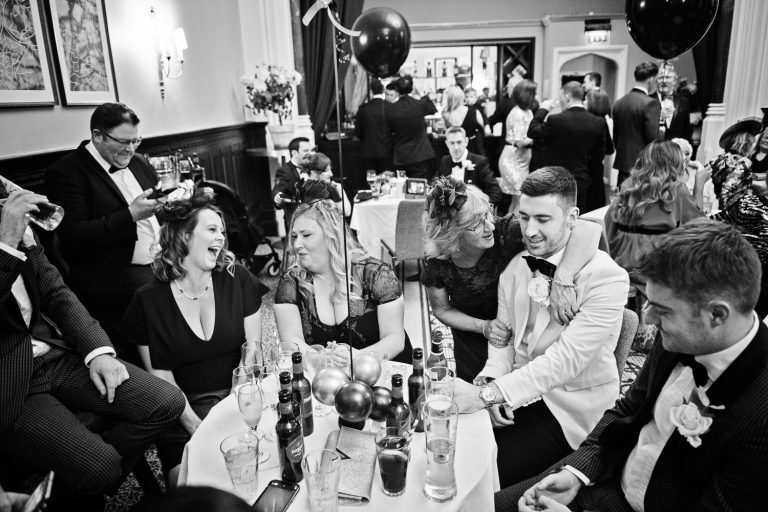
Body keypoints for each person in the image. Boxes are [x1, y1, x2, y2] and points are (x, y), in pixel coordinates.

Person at [499, 219, 768, 512]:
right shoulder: (681, 337)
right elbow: (627, 409)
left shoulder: (760, 414)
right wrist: (576, 472)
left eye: (662, 309)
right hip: (605, 481)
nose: (647, 318)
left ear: (716, 314)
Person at [0, 186, 185, 511]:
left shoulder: (13, 217)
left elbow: (55, 291)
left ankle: (66, 492)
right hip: (9, 383)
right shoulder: (8, 231)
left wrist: (98, 352)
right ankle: (84, 482)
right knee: (100, 468)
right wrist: (5, 247)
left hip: (51, 356)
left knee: (166, 401)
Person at [451, 168, 629, 487]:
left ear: (572, 217)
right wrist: (493, 379)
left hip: (570, 409)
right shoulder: (516, 267)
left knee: (484, 472)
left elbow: (565, 362)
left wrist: (488, 395)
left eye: (543, 219)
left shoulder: (607, 278)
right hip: (519, 393)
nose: (530, 230)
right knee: (456, 446)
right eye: (524, 217)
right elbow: (503, 340)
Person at [121, 191, 267, 481]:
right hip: (181, 411)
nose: (221, 238)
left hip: (237, 398)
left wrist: (239, 398)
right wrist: (196, 426)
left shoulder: (237, 278)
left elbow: (253, 348)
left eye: (222, 232)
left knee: (260, 472)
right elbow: (159, 375)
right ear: (185, 237)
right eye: (212, 229)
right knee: (192, 487)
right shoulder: (148, 300)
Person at [422, 176, 601, 382]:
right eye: (476, 224)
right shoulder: (437, 260)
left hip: (520, 332)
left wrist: (563, 277)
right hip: (471, 337)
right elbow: (442, 310)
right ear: (452, 234)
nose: (489, 225)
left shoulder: (506, 231)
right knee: (475, 396)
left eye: (487, 214)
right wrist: (483, 326)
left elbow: (590, 228)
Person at [45, 103, 163, 364]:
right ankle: (156, 373)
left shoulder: (140, 163)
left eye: (136, 141)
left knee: (210, 272)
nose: (130, 149)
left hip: (159, 256)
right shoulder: (67, 172)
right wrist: (130, 215)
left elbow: (155, 208)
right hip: (111, 271)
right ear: (97, 136)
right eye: (123, 141)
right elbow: (74, 235)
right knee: (156, 293)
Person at [274, 200, 412, 363]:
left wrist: (358, 358)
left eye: (306, 235)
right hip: (325, 376)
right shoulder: (291, 282)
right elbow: (291, 343)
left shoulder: (376, 275)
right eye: (294, 236)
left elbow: (395, 339)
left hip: (381, 371)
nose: (296, 244)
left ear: (332, 236)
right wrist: (320, 358)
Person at [605, 141, 703, 294]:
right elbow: (699, 225)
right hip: (656, 263)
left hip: (622, 262)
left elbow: (609, 225)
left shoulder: (629, 185)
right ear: (676, 163)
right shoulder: (676, 190)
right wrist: (700, 184)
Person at [528, 81, 605, 213]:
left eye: (561, 97)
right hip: (581, 180)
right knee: (577, 216)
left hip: (557, 181)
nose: (560, 101)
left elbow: (532, 131)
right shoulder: (598, 122)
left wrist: (543, 109)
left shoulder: (556, 120)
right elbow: (598, 156)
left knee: (556, 217)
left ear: (568, 97)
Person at [612, 62, 661, 186]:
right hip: (642, 166)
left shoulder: (619, 102)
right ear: (651, 80)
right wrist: (662, 129)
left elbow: (616, 137)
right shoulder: (650, 103)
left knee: (621, 201)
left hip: (623, 164)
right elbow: (652, 138)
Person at [385, 75, 437, 179]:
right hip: (420, 154)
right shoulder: (419, 104)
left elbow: (387, 134)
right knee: (420, 188)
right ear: (412, 88)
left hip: (400, 155)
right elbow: (433, 109)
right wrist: (424, 96)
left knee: (401, 188)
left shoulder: (390, 109)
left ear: (397, 90)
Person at [709, 117, 763, 212]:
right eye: (753, 143)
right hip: (733, 214)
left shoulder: (717, 159)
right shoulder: (743, 163)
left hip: (717, 208)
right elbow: (726, 190)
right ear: (746, 143)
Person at [498, 79, 536, 213]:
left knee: (517, 200)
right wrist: (538, 136)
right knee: (521, 200)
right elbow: (520, 142)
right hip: (513, 160)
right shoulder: (517, 114)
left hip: (522, 160)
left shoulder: (527, 112)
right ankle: (513, 231)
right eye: (533, 94)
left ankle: (507, 230)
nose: (535, 97)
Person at [438, 127, 502, 205]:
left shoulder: (480, 162)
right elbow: (436, 185)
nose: (456, 147)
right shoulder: (445, 160)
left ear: (466, 141)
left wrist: (478, 208)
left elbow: (496, 193)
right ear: (447, 144)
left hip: (471, 211)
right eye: (452, 143)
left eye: (459, 142)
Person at [271, 137, 314, 232]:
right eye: (306, 150)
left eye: (311, 150)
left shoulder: (313, 166)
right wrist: (278, 197)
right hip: (295, 219)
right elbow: (279, 188)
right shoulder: (284, 171)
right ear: (294, 153)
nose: (310, 154)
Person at [585, 89, 616, 211]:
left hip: (589, 168)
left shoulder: (594, 122)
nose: (583, 102)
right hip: (597, 169)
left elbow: (608, 148)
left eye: (586, 100)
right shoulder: (603, 121)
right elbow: (610, 149)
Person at [355, 79, 390, 175]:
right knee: (387, 180)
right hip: (386, 150)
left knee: (371, 180)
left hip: (369, 150)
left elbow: (358, 131)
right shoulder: (389, 106)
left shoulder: (363, 108)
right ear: (383, 90)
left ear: (371, 91)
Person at [671, 137, 715, 211]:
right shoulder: (665, 179)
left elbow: (713, 202)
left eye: (687, 153)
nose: (684, 157)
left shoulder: (700, 173)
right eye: (679, 153)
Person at [442, 85, 485, 156]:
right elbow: (483, 127)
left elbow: (445, 130)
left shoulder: (445, 114)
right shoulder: (474, 111)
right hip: (473, 148)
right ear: (461, 97)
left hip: (454, 149)